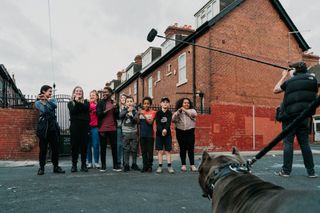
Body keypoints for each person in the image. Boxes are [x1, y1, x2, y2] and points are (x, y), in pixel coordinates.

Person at [273, 61, 318, 178]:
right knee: (305, 144)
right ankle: (311, 172)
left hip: (290, 117)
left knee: (288, 143)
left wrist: (284, 76)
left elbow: (276, 90)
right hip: (304, 117)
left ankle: (286, 171)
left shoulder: (290, 81)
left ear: (294, 71)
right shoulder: (313, 80)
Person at [35, 85, 65, 175]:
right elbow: (45, 111)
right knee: (43, 149)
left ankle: (56, 167)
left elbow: (54, 106)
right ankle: (41, 168)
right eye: (49, 91)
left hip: (53, 128)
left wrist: (46, 100)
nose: (51, 93)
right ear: (43, 91)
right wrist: (42, 102)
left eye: (51, 91)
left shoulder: (53, 100)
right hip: (43, 128)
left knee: (55, 149)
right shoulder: (37, 102)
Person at [96, 87, 121, 172]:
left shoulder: (113, 102)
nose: (104, 94)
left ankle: (115, 165)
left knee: (114, 147)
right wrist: (110, 108)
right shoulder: (100, 102)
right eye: (103, 92)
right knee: (103, 147)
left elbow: (117, 116)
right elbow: (99, 114)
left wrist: (116, 108)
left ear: (111, 93)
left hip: (113, 127)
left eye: (106, 92)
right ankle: (103, 165)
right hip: (103, 128)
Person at [68, 86, 90, 172]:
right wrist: (76, 102)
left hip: (84, 126)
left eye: (80, 91)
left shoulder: (86, 102)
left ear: (82, 93)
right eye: (77, 91)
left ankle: (83, 165)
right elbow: (73, 112)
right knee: (74, 146)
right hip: (75, 126)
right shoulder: (70, 103)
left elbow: (86, 109)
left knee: (84, 146)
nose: (78, 92)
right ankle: (74, 165)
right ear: (74, 92)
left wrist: (78, 103)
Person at [172, 98, 198, 172]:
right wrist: (178, 112)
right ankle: (183, 165)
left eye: (188, 103)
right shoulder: (178, 112)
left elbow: (194, 115)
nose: (186, 104)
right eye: (184, 103)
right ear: (181, 104)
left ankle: (192, 165)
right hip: (180, 132)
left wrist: (184, 110)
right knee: (182, 149)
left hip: (190, 131)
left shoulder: (192, 110)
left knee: (190, 149)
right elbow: (173, 119)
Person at [120, 96, 140, 172]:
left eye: (131, 101)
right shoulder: (123, 110)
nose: (129, 103)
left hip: (134, 132)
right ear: (125, 103)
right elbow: (120, 116)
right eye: (127, 101)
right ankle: (126, 164)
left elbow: (136, 121)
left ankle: (134, 164)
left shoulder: (135, 111)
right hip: (125, 132)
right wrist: (127, 111)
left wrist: (132, 116)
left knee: (134, 149)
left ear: (133, 103)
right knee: (126, 149)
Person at [155, 97, 174, 174]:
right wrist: (162, 130)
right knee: (160, 150)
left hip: (167, 134)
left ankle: (169, 166)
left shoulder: (169, 113)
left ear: (169, 104)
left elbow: (168, 122)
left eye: (167, 102)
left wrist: (165, 129)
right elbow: (158, 123)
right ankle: (160, 166)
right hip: (159, 134)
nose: (165, 103)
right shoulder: (158, 113)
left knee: (167, 150)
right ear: (161, 104)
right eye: (163, 102)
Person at [138, 96, 157, 173]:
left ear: (150, 105)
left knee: (150, 152)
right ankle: (144, 166)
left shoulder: (153, 112)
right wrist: (138, 114)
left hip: (150, 135)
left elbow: (150, 123)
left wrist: (144, 115)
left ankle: (150, 166)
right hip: (142, 135)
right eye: (145, 103)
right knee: (144, 152)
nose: (146, 105)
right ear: (143, 104)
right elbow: (137, 122)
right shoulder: (140, 113)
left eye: (148, 103)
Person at [87, 90, 100, 169]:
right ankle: (89, 162)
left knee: (96, 145)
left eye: (93, 95)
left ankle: (96, 162)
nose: (91, 96)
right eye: (90, 95)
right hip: (88, 127)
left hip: (96, 127)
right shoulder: (88, 104)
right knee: (88, 146)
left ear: (97, 97)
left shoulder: (99, 105)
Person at [116, 94, 127, 168]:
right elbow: (117, 116)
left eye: (124, 98)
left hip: (126, 128)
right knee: (119, 145)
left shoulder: (129, 107)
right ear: (120, 99)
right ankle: (118, 161)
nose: (123, 99)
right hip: (119, 127)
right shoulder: (117, 108)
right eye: (121, 98)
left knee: (125, 145)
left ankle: (125, 162)